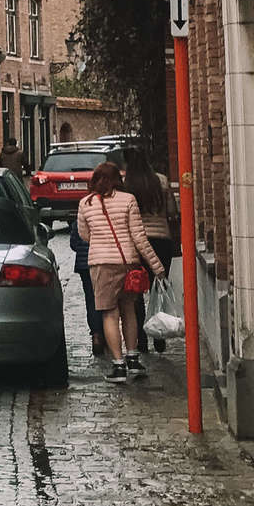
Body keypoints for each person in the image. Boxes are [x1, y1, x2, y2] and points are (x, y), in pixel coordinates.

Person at [75, 159, 165, 382]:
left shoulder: (85, 204)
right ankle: (133, 358)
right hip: (127, 261)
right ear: (118, 179)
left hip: (101, 264)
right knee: (129, 310)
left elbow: (84, 235)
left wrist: (100, 240)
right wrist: (157, 266)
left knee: (108, 313)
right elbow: (139, 237)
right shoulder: (128, 200)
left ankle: (118, 365)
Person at [122, 142, 175, 349]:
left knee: (136, 289)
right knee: (158, 285)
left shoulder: (127, 185)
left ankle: (141, 339)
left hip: (137, 242)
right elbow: (171, 210)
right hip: (162, 239)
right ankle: (159, 333)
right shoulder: (160, 181)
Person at [69, 222, 105, 359]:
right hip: (102, 262)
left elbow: (73, 244)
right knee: (104, 298)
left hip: (84, 264)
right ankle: (107, 333)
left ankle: (96, 335)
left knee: (90, 300)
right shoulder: (102, 213)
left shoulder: (79, 218)